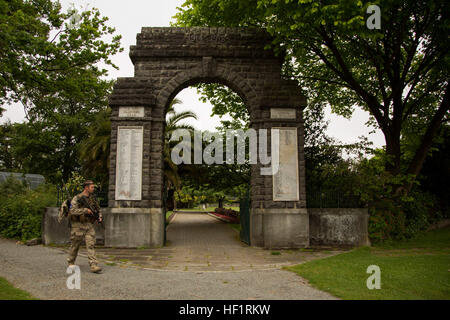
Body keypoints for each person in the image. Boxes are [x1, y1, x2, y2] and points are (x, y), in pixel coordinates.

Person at [67, 180, 103, 273]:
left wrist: (99, 216)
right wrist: (84, 210)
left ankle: (93, 265)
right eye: (92, 187)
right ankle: (71, 262)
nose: (93, 189)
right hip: (78, 225)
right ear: (86, 188)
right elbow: (72, 211)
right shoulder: (77, 198)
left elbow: (98, 209)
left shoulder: (93, 199)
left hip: (88, 225)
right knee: (75, 245)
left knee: (91, 244)